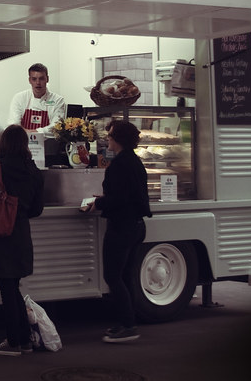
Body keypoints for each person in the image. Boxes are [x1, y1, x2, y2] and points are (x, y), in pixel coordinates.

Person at [0, 124, 45, 356]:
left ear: (3, 143)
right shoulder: (34, 170)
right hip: (22, 234)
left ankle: (14, 342)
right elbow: (37, 209)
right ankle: (24, 340)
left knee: (7, 289)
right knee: (12, 286)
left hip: (0, 234)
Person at [84, 120, 153, 343]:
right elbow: (130, 195)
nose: (108, 139)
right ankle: (128, 321)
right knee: (126, 276)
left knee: (112, 276)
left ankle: (128, 326)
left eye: (111, 136)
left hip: (121, 227)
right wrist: (104, 200)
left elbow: (120, 198)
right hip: (136, 226)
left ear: (119, 139)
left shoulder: (120, 165)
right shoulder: (134, 162)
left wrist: (100, 204)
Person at [8, 63, 66, 132]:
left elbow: (56, 127)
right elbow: (14, 125)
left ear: (47, 79)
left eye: (41, 79)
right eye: (34, 79)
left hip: (48, 142)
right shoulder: (19, 98)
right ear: (29, 80)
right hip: (23, 141)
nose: (38, 82)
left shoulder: (58, 100)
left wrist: (32, 132)